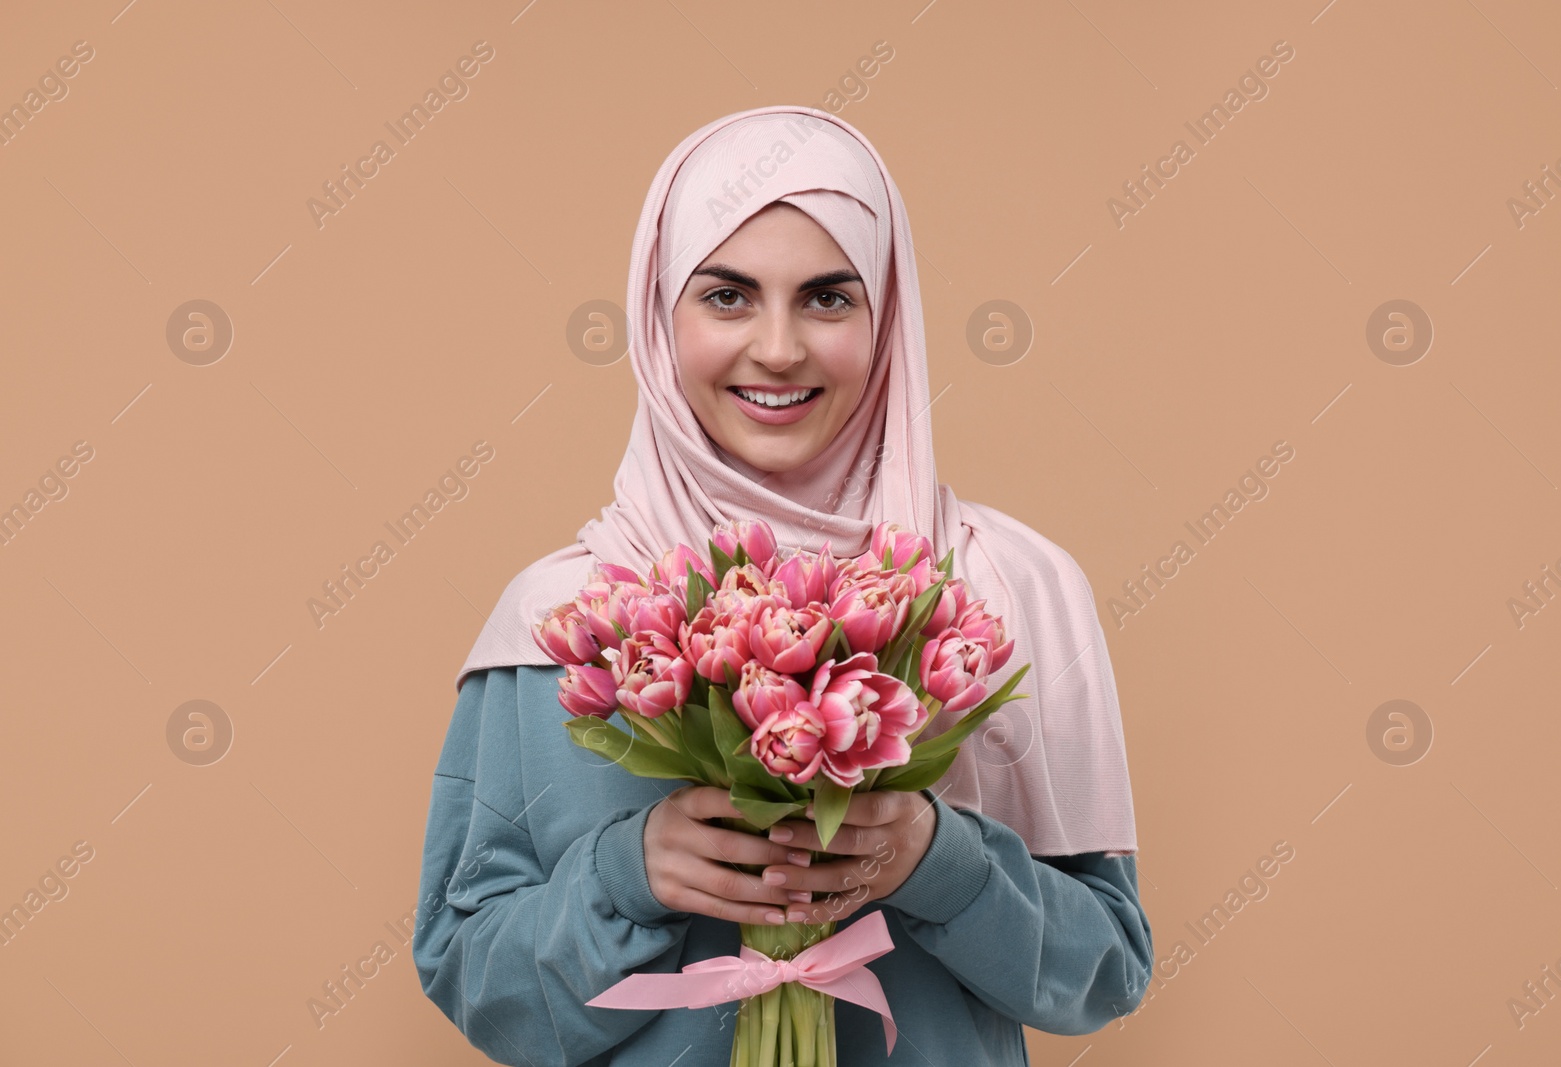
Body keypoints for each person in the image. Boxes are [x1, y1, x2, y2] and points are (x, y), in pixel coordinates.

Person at [412, 104, 1153, 1066]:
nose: (777, 348)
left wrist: (936, 857)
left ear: (887, 320)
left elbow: (1104, 972)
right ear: (657, 315)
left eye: (827, 298)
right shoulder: (563, 619)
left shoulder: (1006, 594)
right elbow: (479, 983)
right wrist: (627, 874)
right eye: (726, 296)